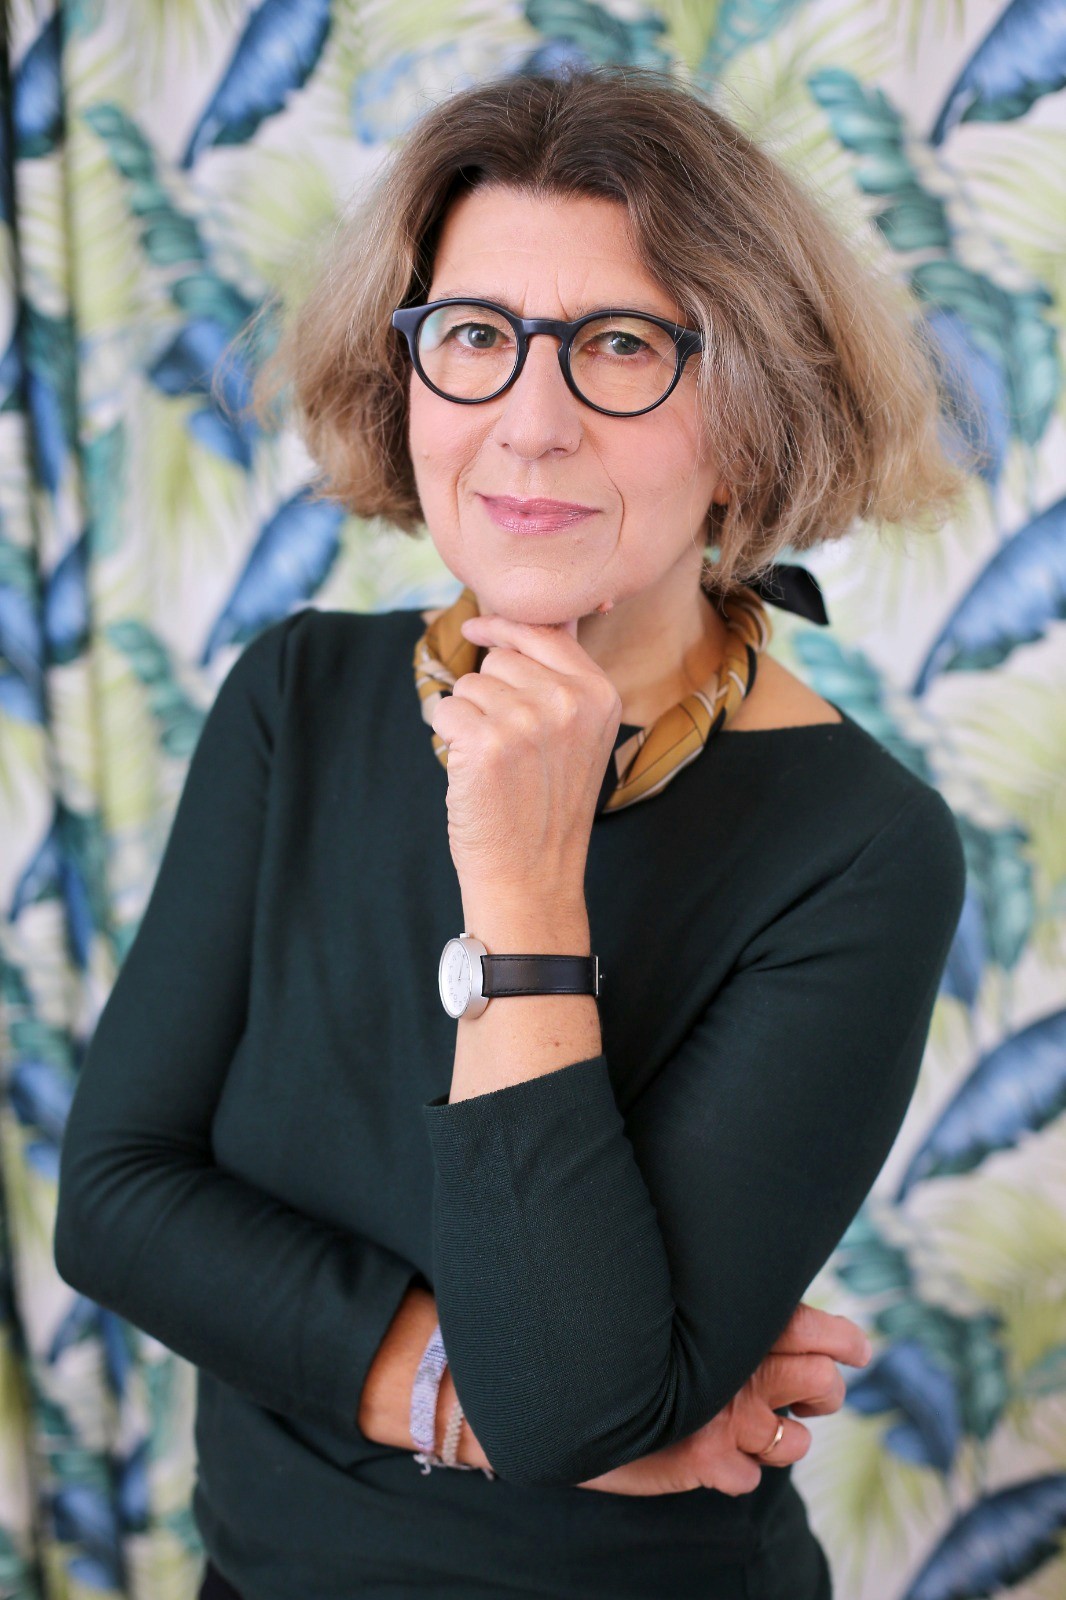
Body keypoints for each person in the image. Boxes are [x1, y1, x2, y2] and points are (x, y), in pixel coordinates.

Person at [54, 66, 971, 1600]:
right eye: (474, 338)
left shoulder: (861, 844)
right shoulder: (299, 696)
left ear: (744, 422)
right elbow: (121, 1204)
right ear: (405, 384)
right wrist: (454, 1396)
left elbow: (574, 1402)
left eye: (620, 346)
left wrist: (527, 888)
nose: (528, 423)